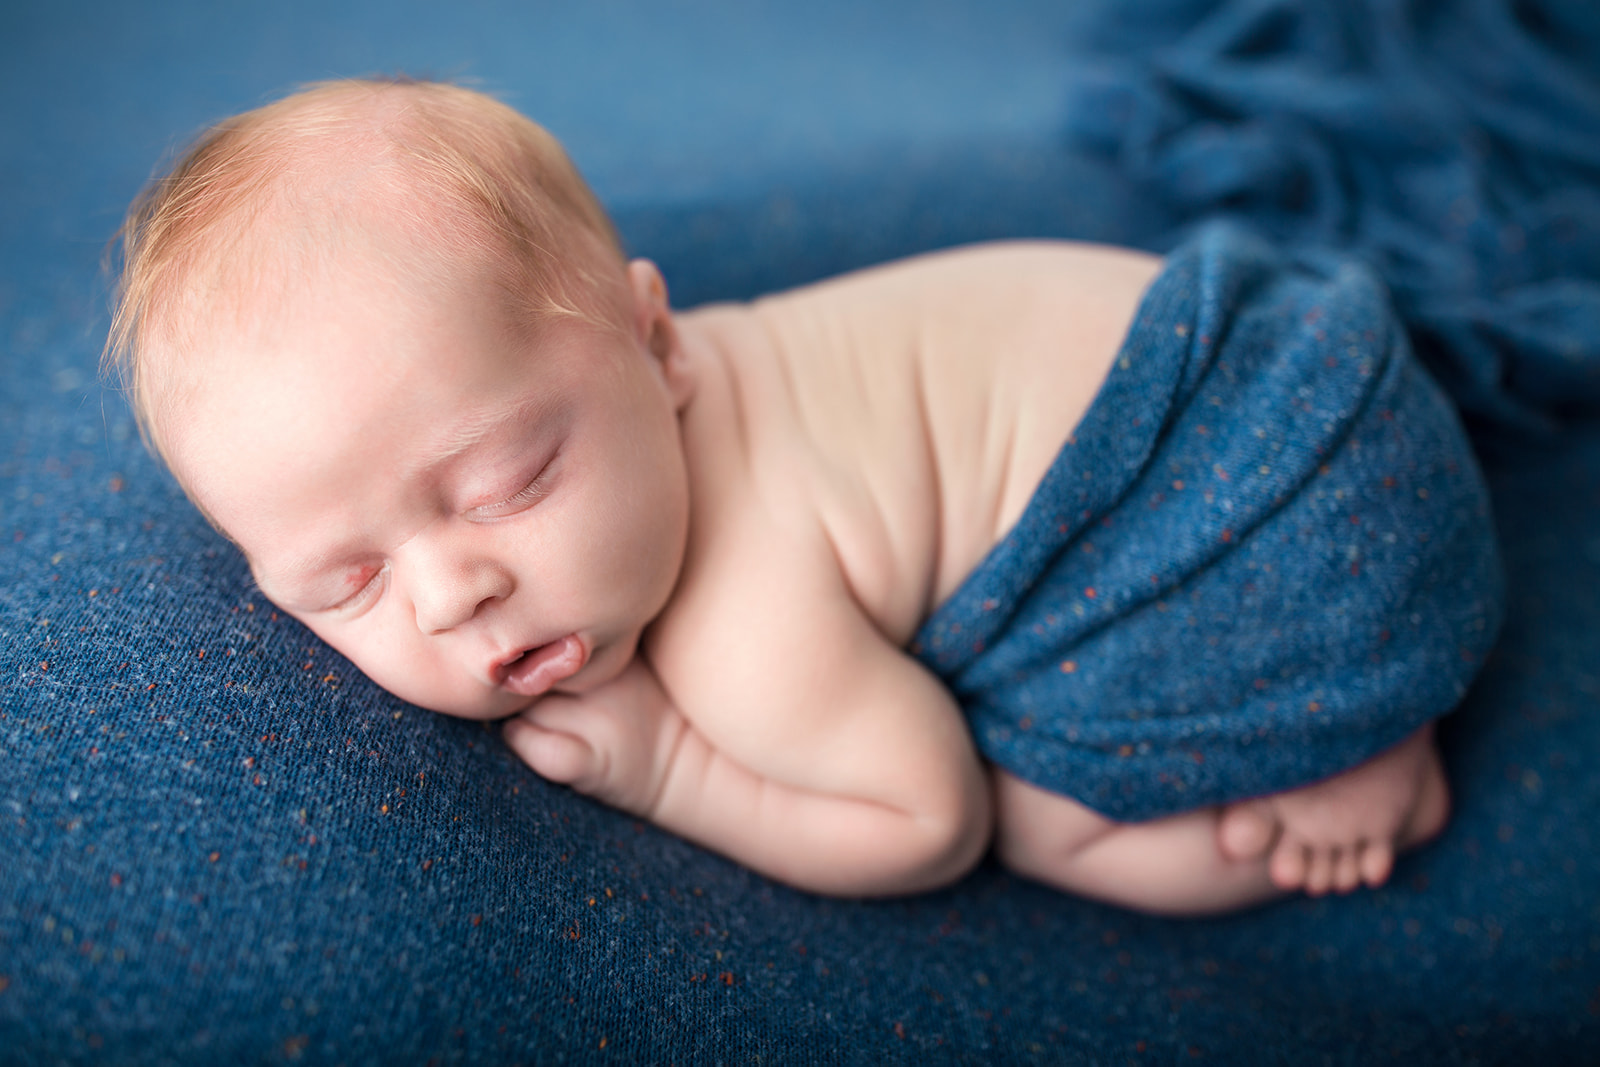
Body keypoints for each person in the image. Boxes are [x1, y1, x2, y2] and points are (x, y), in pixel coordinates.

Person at [105, 77, 1501, 915]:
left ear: (659, 348)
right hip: (1288, 343)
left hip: (1281, 521)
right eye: (342, 582)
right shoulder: (692, 365)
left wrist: (674, 770)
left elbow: (925, 825)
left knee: (1030, 818)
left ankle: (1359, 757)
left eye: (510, 480)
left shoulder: (739, 624)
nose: (450, 590)